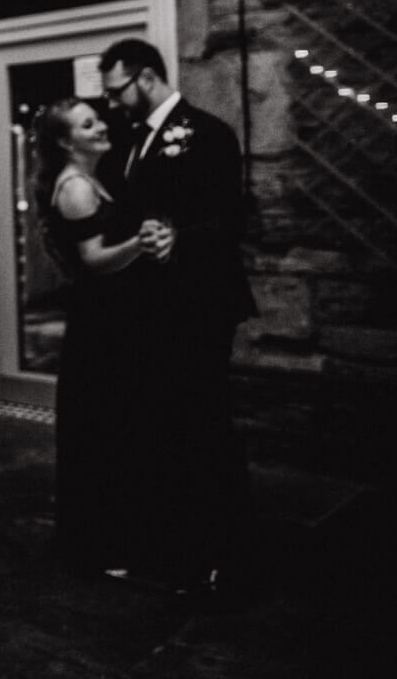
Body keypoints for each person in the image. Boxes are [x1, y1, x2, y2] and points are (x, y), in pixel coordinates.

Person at [98, 38, 257, 595]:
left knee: (203, 426)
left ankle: (222, 556)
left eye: (117, 89)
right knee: (160, 428)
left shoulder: (208, 133)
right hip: (149, 312)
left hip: (200, 305)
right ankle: (166, 546)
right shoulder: (127, 140)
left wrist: (179, 240)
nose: (112, 102)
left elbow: (237, 220)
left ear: (145, 78)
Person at [28, 98, 164, 574]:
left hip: (108, 317)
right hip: (100, 321)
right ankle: (99, 545)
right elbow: (93, 261)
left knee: (109, 426)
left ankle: (108, 536)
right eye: (88, 124)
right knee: (103, 429)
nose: (101, 127)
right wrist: (140, 245)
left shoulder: (91, 178)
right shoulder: (76, 189)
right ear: (67, 142)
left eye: (98, 119)